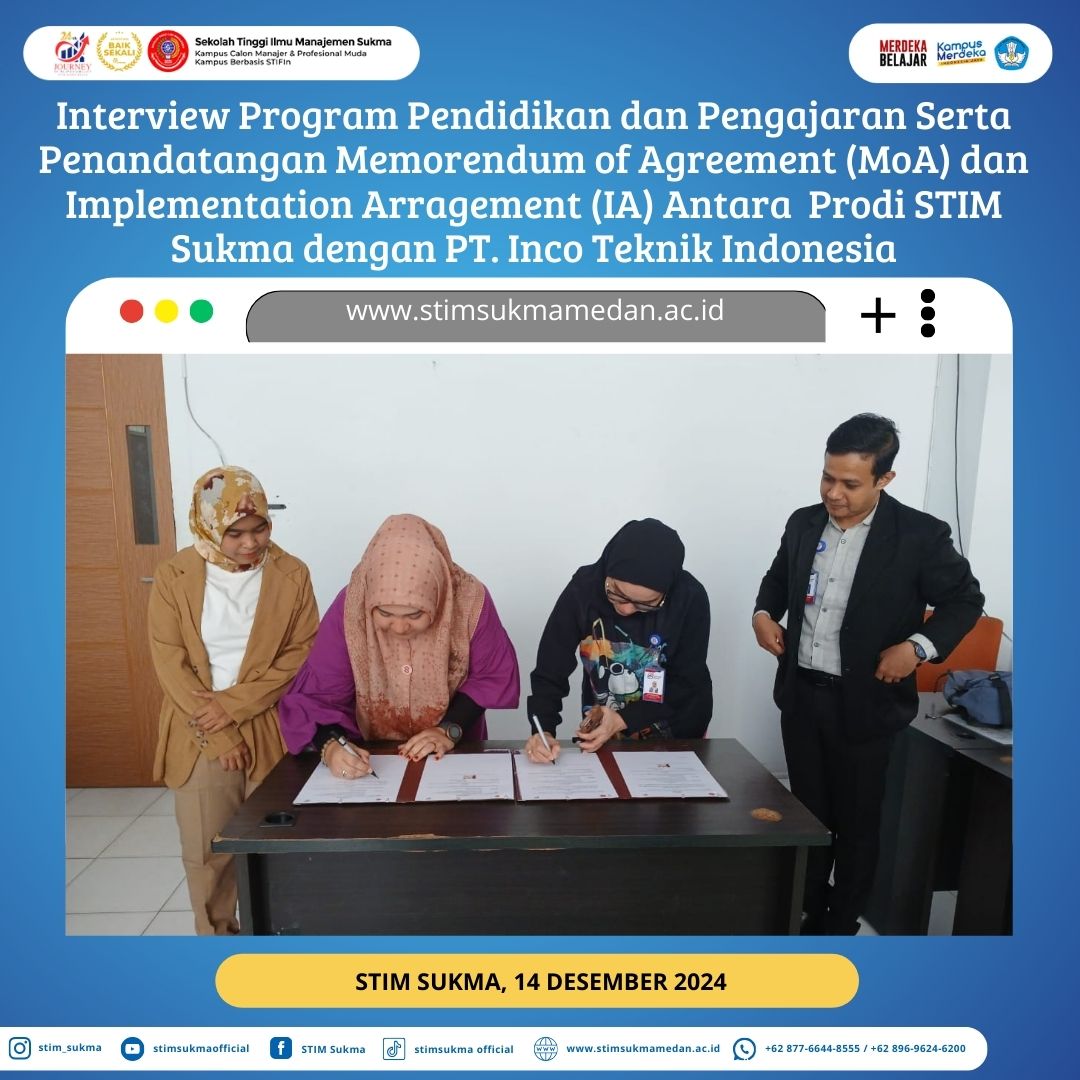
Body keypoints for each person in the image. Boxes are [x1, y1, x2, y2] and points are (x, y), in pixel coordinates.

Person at [752, 414, 984, 934]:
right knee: (806, 814)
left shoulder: (919, 536)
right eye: (827, 478)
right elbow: (777, 578)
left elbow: (965, 602)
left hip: (867, 702)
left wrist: (917, 648)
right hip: (801, 695)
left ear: (884, 479)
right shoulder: (803, 523)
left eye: (850, 484)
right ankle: (805, 910)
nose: (833, 493)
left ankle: (840, 925)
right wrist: (763, 614)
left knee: (856, 822)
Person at [149, 466, 318, 935]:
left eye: (259, 528)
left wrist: (235, 705)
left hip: (270, 722)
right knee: (209, 851)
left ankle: (278, 942)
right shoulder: (173, 576)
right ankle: (218, 945)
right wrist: (220, 732)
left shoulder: (292, 573)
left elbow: (301, 652)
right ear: (207, 525)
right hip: (197, 726)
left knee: (277, 846)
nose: (250, 543)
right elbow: (169, 661)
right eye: (235, 533)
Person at [278, 514, 519, 773]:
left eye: (415, 615)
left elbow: (490, 676)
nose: (400, 628)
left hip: (452, 751)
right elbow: (319, 694)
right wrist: (331, 747)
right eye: (385, 613)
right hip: (372, 757)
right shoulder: (351, 608)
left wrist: (448, 730)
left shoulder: (470, 601)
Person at [525, 518, 712, 761]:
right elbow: (551, 668)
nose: (625, 609)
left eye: (645, 605)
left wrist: (624, 719)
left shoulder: (690, 599)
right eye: (616, 594)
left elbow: (686, 682)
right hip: (606, 734)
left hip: (677, 730)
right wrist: (544, 730)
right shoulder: (584, 590)